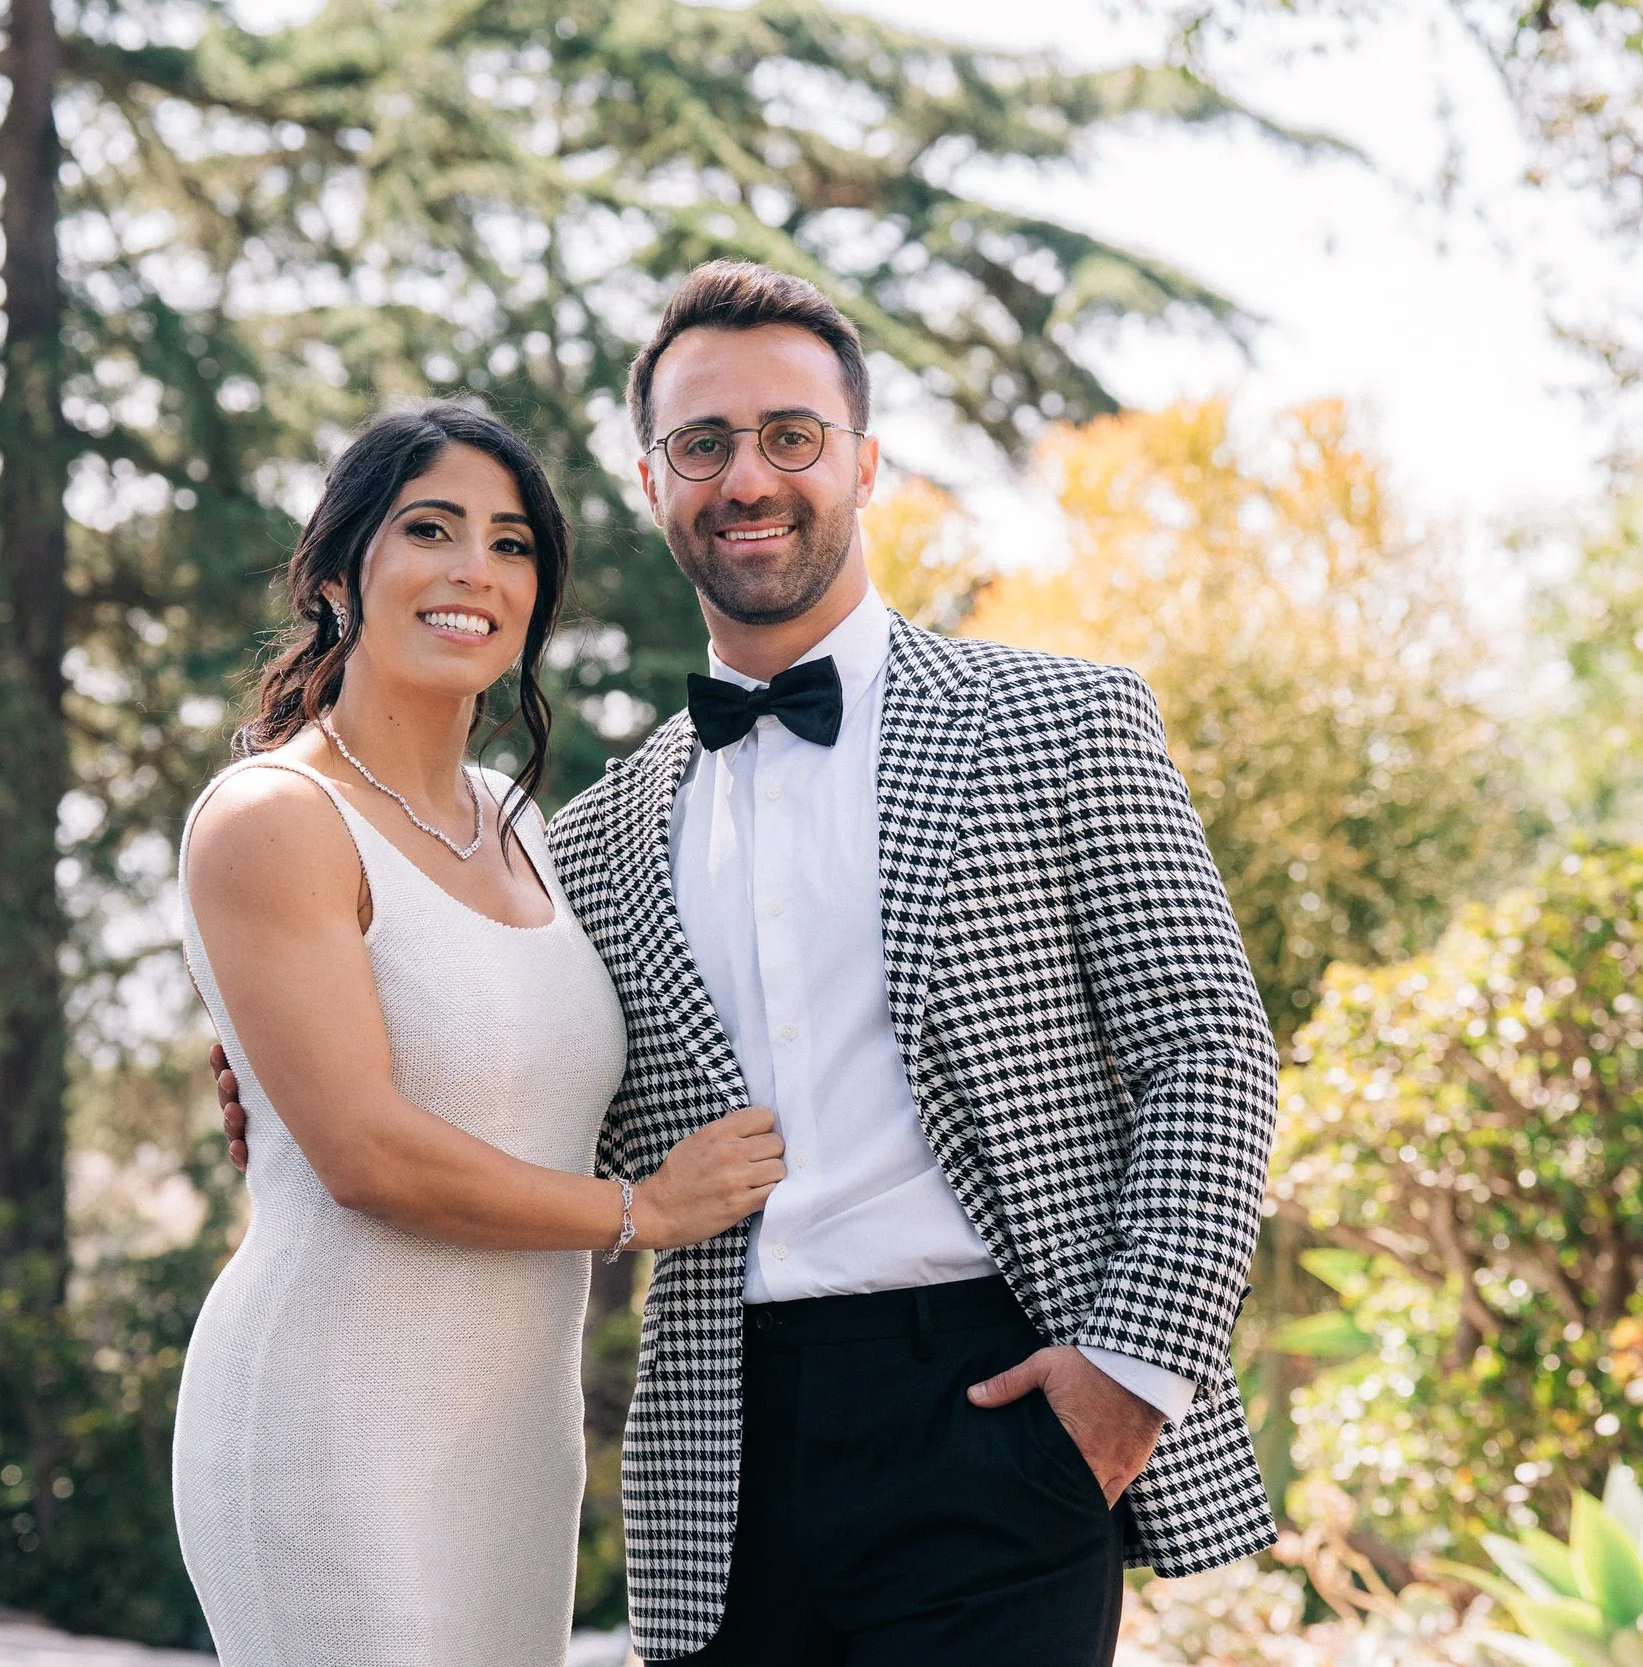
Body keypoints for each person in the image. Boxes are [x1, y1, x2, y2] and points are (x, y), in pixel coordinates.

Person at [217, 264, 1279, 1665]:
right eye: (705, 445)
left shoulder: (1062, 721)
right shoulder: (585, 840)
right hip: (719, 1447)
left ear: (865, 462)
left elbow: (1209, 1044)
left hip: (1005, 1412)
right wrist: (277, 1075)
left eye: (792, 436)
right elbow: (497, 1060)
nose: (748, 478)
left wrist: (1129, 1373)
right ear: (655, 480)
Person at [172, 401, 784, 1667]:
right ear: (341, 571)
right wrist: (641, 1211)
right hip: (329, 1423)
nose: (474, 570)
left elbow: (512, 1075)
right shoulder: (273, 815)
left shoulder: (520, 823)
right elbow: (366, 1154)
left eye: (512, 545)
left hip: (511, 1442)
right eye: (431, 529)